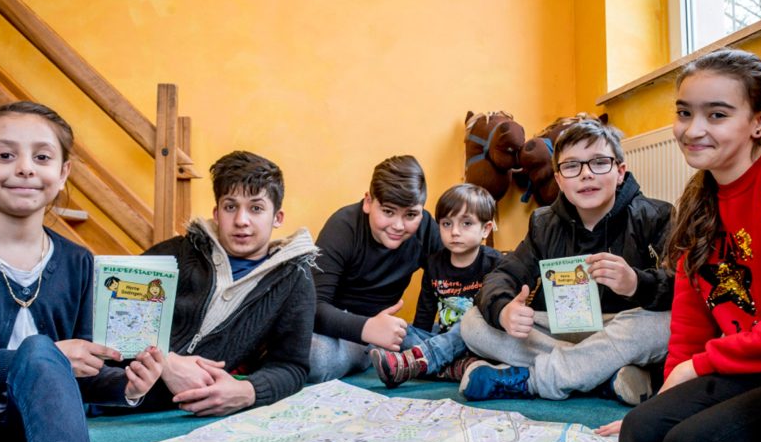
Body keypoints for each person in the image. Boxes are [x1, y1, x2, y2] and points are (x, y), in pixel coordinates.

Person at [0, 102, 163, 442]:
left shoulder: (79, 263)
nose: (25, 168)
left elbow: (82, 375)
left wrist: (127, 387)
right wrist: (40, 358)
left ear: (62, 175)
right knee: (41, 350)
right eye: (5, 155)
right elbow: (57, 360)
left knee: (41, 350)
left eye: (42, 157)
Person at [616, 48, 761, 442]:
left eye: (717, 114)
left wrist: (699, 368)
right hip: (751, 365)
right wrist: (669, 393)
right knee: (640, 439)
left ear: (759, 122)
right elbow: (690, 320)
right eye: (685, 113)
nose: (693, 130)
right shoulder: (698, 200)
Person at [459, 119, 674, 405]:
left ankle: (533, 380)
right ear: (559, 178)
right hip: (563, 330)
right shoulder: (543, 222)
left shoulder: (657, 216)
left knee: (666, 325)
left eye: (599, 162)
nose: (586, 175)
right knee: (472, 322)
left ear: (620, 171)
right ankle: (600, 375)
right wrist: (503, 310)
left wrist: (637, 283)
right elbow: (504, 274)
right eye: (572, 166)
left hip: (623, 327)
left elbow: (681, 287)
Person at [141, 150, 318, 416]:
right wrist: (166, 361)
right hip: (119, 394)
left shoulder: (294, 280)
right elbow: (115, 319)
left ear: (277, 218)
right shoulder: (173, 254)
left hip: (191, 415)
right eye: (230, 206)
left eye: (256, 208)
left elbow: (291, 366)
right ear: (216, 212)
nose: (241, 221)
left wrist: (248, 392)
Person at [308, 155, 443, 382]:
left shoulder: (425, 227)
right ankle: (386, 354)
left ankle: (392, 354)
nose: (398, 226)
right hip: (340, 332)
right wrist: (368, 328)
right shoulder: (343, 226)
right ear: (368, 202)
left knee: (462, 335)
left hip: (390, 332)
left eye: (410, 215)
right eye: (388, 212)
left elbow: (456, 274)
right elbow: (314, 308)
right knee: (315, 357)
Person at [369, 183, 502, 387]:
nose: (455, 232)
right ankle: (453, 368)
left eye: (466, 224)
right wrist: (418, 336)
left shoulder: (495, 263)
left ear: (486, 229)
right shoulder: (434, 264)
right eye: (446, 224)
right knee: (398, 332)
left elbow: (497, 313)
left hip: (480, 341)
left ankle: (419, 362)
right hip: (443, 338)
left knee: (470, 324)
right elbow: (425, 311)